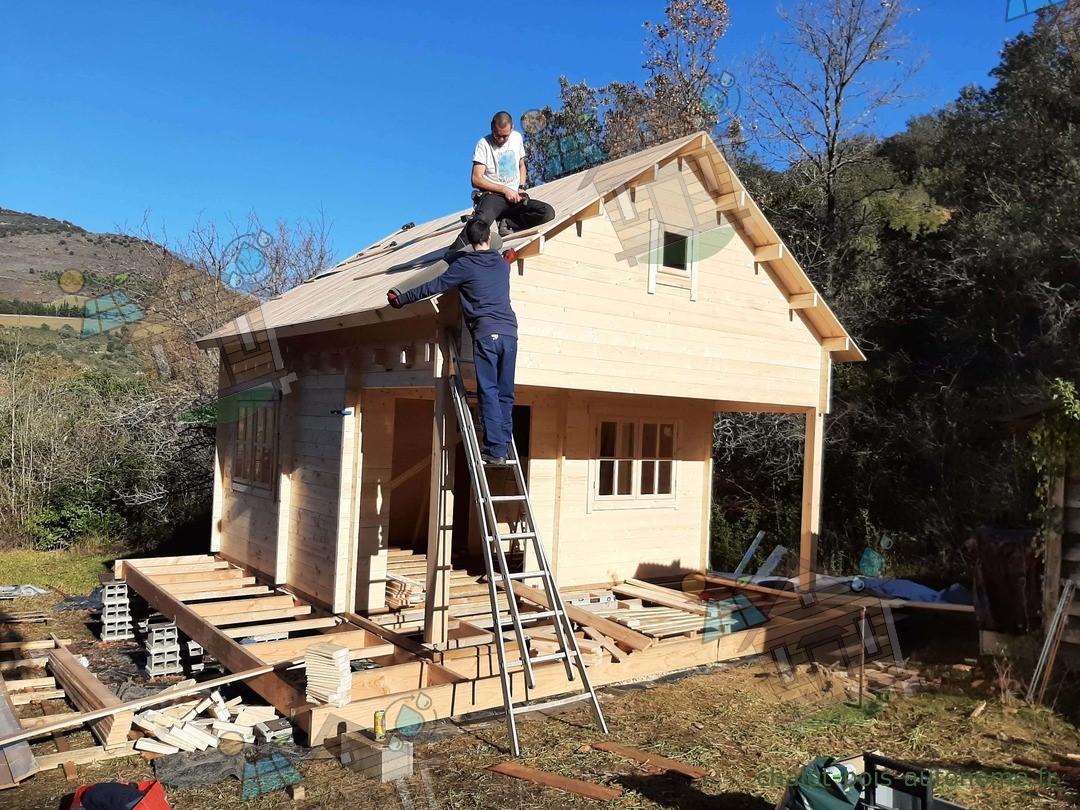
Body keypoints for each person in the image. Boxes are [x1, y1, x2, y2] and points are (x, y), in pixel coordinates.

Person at [388, 218, 517, 466]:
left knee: (489, 392)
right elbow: (504, 261)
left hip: (487, 334)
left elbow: (434, 285)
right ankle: (503, 444)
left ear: (468, 241)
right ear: (489, 239)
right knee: (505, 393)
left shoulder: (465, 265)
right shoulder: (502, 266)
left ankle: (495, 451)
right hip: (510, 334)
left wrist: (401, 298)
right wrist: (508, 258)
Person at [447, 111, 555, 252]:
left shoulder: (516, 138)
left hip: (515, 197)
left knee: (546, 212)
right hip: (494, 196)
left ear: (512, 128)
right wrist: (504, 189)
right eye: (498, 135)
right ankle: (452, 254)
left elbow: (522, 165)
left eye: (505, 135)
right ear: (491, 127)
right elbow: (476, 179)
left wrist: (521, 187)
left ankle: (507, 223)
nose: (502, 139)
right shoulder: (483, 144)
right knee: (481, 221)